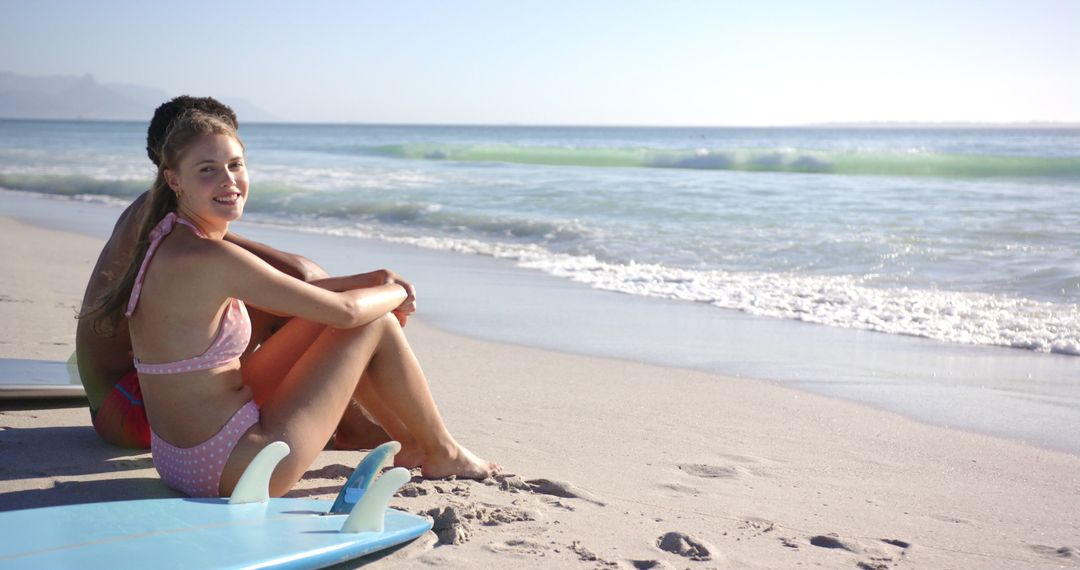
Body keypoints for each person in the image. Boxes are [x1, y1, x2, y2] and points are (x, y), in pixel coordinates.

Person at [80, 107, 500, 497]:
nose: (228, 181)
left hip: (176, 460)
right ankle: (442, 451)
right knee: (374, 323)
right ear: (174, 180)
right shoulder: (210, 256)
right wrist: (397, 293)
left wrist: (372, 284)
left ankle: (413, 444)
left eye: (235, 165)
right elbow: (346, 312)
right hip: (235, 468)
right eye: (207, 171)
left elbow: (295, 301)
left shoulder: (168, 238)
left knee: (335, 321)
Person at [77, 96, 386, 451]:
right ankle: (356, 426)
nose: (226, 174)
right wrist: (375, 286)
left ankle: (357, 423)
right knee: (289, 305)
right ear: (174, 167)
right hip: (135, 409)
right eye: (209, 161)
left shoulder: (161, 216)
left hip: (124, 405)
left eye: (233, 161)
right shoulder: (163, 224)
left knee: (267, 297)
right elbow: (301, 276)